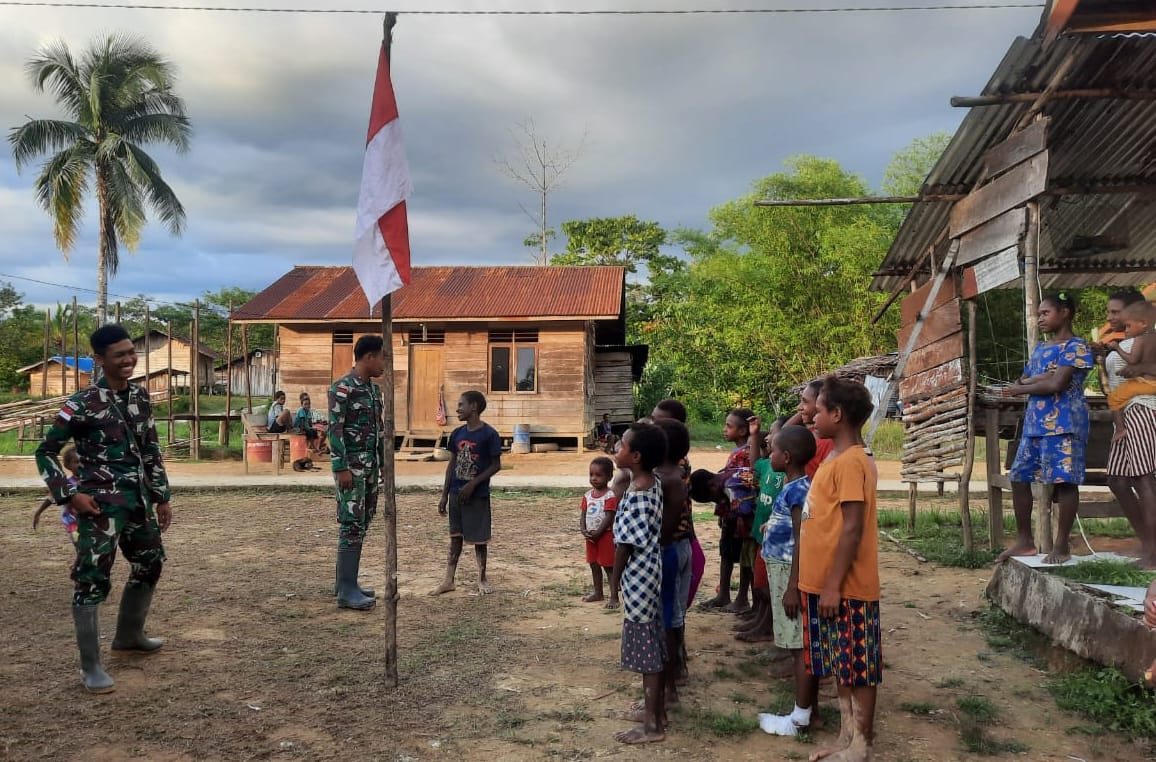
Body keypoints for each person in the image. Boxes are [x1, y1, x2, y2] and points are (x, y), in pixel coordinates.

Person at [36, 324, 173, 694]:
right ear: (99, 359)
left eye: (132, 352)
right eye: (119, 355)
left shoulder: (140, 397)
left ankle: (129, 637)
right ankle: (91, 666)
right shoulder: (80, 404)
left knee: (151, 562)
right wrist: (68, 495)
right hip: (99, 506)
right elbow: (45, 452)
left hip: (139, 501)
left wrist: (161, 495)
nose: (129, 360)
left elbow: (150, 449)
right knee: (92, 578)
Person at [798, 376, 881, 762]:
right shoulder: (835, 457)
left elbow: (852, 526)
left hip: (847, 587)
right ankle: (846, 738)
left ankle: (861, 745)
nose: (812, 413)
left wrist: (832, 586)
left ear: (837, 414)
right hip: (827, 585)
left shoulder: (851, 462)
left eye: (819, 408)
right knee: (841, 664)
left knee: (858, 667)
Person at [999, 293, 1094, 565]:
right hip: (1035, 425)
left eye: (1045, 313)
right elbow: (1028, 377)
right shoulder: (1041, 349)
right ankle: (1025, 541)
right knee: (1019, 477)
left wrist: (1023, 388)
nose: (1040, 318)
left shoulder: (1076, 346)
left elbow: (1057, 385)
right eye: (1039, 314)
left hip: (1064, 425)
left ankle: (1061, 545)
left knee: (1064, 482)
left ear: (1064, 312)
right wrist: (1032, 381)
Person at [757, 424, 819, 736]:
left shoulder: (798, 490)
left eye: (773, 450)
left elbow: (802, 539)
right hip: (782, 568)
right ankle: (810, 710)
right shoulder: (795, 485)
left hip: (788, 573)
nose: (769, 454)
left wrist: (793, 587)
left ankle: (799, 719)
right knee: (800, 644)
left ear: (787, 456)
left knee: (799, 647)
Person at [609, 423, 667, 745]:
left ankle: (652, 726)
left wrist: (613, 585)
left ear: (636, 456)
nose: (617, 449)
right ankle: (655, 713)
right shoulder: (649, 483)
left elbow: (625, 546)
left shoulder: (639, 495)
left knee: (646, 649)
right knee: (653, 643)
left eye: (622, 446)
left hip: (639, 579)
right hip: (650, 573)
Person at [328, 335, 385, 611]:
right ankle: (346, 591)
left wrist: (384, 463)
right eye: (382, 357)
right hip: (351, 468)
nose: (385, 364)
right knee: (351, 524)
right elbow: (335, 429)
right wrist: (340, 467)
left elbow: (380, 430)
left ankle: (346, 583)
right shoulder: (342, 388)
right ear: (369, 357)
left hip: (370, 468)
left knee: (362, 521)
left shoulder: (374, 391)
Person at [1101, 290, 1156, 568]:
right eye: (1109, 312)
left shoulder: (1138, 343)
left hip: (1140, 410)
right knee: (1118, 479)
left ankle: (1153, 551)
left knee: (1144, 480)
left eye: (1115, 312)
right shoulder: (1122, 343)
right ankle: (1147, 541)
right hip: (1126, 416)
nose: (1110, 317)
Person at [431, 390, 503, 596]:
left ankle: (482, 578)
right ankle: (448, 580)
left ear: (474, 407)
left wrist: (474, 484)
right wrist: (444, 495)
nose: (457, 409)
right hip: (456, 494)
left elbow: (496, 465)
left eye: (461, 404)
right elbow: (451, 465)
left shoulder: (489, 434)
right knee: (456, 537)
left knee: (479, 539)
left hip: (477, 495)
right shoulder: (456, 434)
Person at [735, 414, 789, 644]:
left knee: (769, 587)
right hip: (761, 533)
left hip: (775, 539)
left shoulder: (787, 472)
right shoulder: (768, 464)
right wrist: (755, 434)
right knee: (760, 584)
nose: (770, 437)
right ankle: (761, 620)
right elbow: (754, 462)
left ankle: (767, 626)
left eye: (774, 433)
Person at [650, 399, 706, 613]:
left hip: (671, 539)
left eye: (658, 422)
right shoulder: (669, 460)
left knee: (670, 605)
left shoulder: (672, 466)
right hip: (678, 536)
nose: (652, 426)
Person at [699, 408, 754, 612]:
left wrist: (741, 514)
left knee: (743, 556)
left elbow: (746, 484)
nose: (724, 429)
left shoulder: (746, 453)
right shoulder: (737, 451)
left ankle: (741, 597)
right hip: (729, 512)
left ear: (742, 431)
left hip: (741, 513)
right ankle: (723, 593)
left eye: (729, 426)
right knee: (726, 552)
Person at [653, 417, 691, 706]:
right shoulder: (675, 474)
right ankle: (675, 674)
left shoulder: (666, 480)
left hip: (668, 551)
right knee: (673, 615)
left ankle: (667, 689)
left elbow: (664, 529)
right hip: (678, 547)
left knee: (666, 619)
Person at [1105, 299, 1156, 441]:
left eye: (1128, 325)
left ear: (1143, 323)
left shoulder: (1138, 340)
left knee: (1114, 399)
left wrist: (1117, 348)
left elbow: (1132, 360)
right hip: (1148, 389)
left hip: (1142, 404)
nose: (1126, 329)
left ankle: (1120, 429)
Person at [581, 456, 619, 607]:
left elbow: (609, 516)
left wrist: (598, 533)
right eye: (591, 474)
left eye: (598, 475)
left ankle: (614, 597)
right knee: (593, 564)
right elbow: (583, 514)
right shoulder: (587, 495)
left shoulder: (610, 496)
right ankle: (598, 592)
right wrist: (583, 529)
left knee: (609, 567)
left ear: (609, 477)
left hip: (605, 536)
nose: (594, 478)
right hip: (590, 537)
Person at [32, 444, 81, 546]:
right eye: (76, 462)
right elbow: (51, 497)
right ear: (68, 465)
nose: (80, 465)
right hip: (73, 524)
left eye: (83, 461)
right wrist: (38, 512)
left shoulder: (91, 482)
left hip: (89, 523)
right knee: (81, 550)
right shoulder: (65, 484)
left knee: (89, 552)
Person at [793, 379, 835, 478]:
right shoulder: (808, 434)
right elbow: (783, 434)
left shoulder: (829, 444)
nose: (799, 407)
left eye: (805, 402)